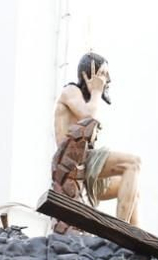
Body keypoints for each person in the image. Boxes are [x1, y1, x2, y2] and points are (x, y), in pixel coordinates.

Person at [52, 52, 141, 224]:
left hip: (85, 164)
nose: (106, 80)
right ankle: (121, 230)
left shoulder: (86, 99)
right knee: (132, 163)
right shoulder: (71, 91)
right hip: (72, 161)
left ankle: (136, 240)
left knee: (133, 185)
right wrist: (96, 92)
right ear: (88, 75)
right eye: (102, 74)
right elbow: (89, 117)